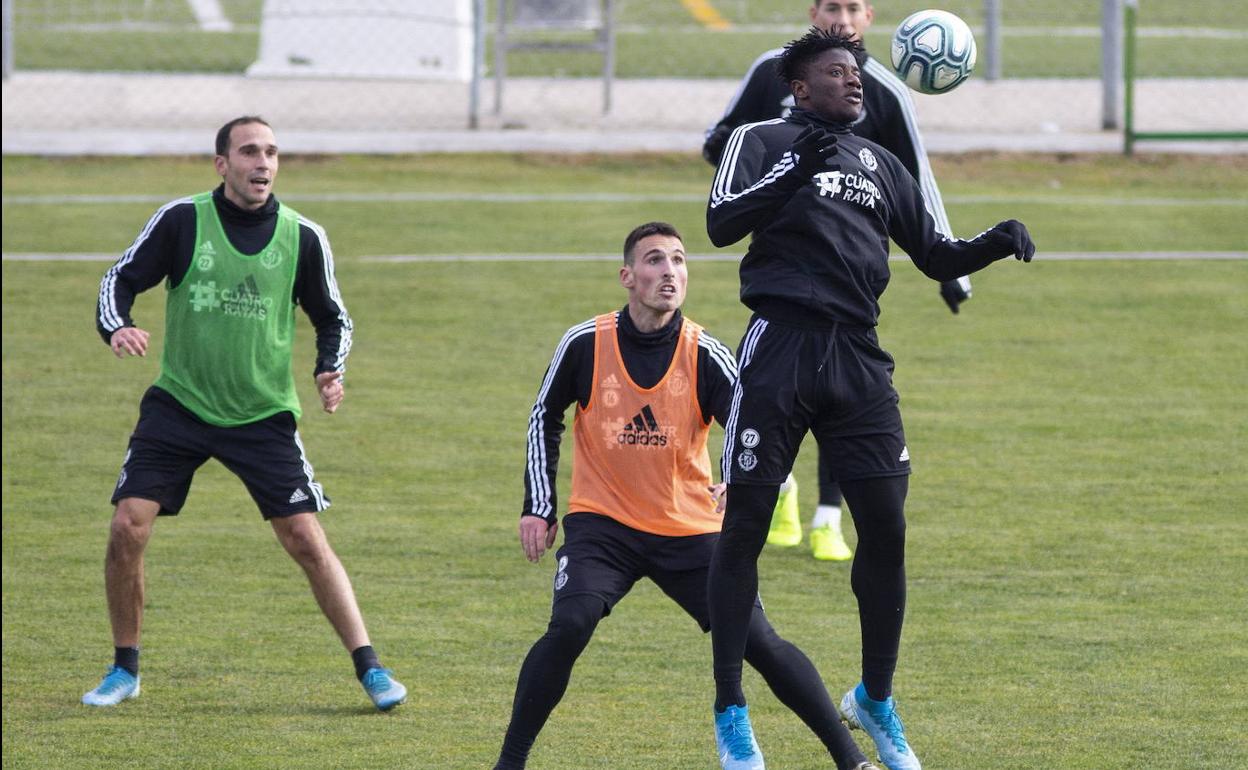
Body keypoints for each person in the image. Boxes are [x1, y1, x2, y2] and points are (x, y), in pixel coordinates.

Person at [705, 30, 1035, 770]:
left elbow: (935, 253)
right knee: (747, 526)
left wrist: (994, 241)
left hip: (858, 357)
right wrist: (794, 170)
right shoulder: (760, 138)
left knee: (886, 528)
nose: (855, 83)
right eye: (837, 72)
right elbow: (721, 223)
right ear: (801, 86)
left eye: (856, 72)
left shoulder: (878, 161)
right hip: (780, 347)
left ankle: (875, 700)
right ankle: (731, 710)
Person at [493, 222, 879, 770]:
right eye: (654, 261)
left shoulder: (705, 352)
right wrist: (539, 504)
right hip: (604, 527)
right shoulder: (586, 342)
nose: (669, 272)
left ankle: (852, 759)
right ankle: (508, 763)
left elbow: (757, 423)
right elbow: (543, 415)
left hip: (691, 529)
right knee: (569, 626)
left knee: (760, 643)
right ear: (628, 276)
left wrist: (736, 474)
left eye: (678, 260)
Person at [84, 116, 407, 712]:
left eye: (272, 153)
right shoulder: (182, 221)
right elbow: (118, 280)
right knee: (128, 525)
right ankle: (124, 668)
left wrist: (328, 369)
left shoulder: (303, 236)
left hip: (261, 414)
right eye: (250, 152)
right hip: (180, 405)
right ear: (222, 164)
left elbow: (332, 316)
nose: (263, 163)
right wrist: (119, 325)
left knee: (306, 538)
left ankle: (372, 669)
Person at [704, 1, 972, 562]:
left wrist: (956, 268)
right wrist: (763, 165)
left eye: (853, 7)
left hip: (848, 288)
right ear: (814, 11)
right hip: (786, 276)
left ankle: (828, 516)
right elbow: (722, 138)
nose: (842, 16)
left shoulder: (882, 94)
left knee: (840, 394)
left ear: (869, 18)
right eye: (833, 6)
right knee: (786, 392)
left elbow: (914, 181)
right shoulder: (772, 72)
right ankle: (779, 486)